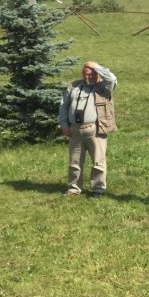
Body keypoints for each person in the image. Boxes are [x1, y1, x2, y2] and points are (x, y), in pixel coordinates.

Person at [59, 61, 117, 197]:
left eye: (92, 74)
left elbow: (112, 78)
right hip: (75, 131)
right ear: (82, 74)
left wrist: (96, 66)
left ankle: (98, 190)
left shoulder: (104, 87)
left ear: (97, 74)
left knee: (98, 161)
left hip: (95, 130)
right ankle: (74, 189)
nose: (89, 77)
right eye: (86, 74)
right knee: (74, 162)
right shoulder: (73, 87)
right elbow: (63, 107)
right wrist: (64, 125)